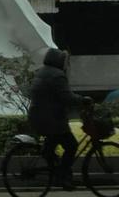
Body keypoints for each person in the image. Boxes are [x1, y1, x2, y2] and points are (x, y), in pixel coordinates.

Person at [27, 49, 92, 191]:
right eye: (64, 61)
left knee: (50, 148)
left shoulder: (41, 72)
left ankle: (59, 175)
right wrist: (84, 100)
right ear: (59, 61)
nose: (65, 64)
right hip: (53, 120)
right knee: (72, 146)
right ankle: (62, 176)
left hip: (37, 117)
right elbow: (67, 97)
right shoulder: (57, 75)